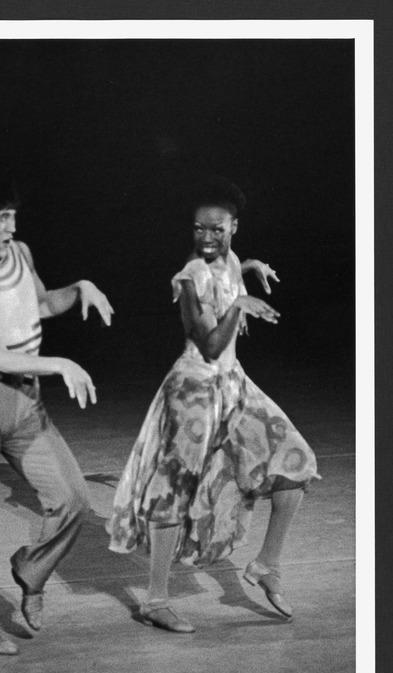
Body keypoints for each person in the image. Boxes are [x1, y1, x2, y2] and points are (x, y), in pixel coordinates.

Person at [108, 176, 319, 632]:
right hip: (192, 392)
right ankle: (156, 600)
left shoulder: (230, 259)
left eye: (216, 229)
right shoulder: (190, 277)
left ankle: (266, 565)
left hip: (232, 386)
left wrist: (247, 269)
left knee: (295, 462)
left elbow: (227, 271)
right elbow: (209, 344)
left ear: (234, 228)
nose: (206, 238)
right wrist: (241, 303)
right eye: (199, 229)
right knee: (174, 490)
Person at [0, 176, 114, 655]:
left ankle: (31, 572)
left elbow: (41, 304)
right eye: (1, 219)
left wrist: (81, 288)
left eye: (14, 217)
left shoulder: (20, 253)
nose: (10, 228)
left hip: (26, 400)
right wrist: (62, 363)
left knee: (73, 498)